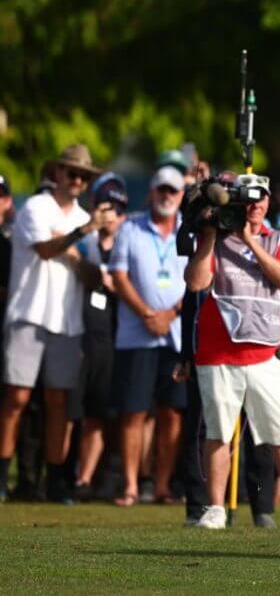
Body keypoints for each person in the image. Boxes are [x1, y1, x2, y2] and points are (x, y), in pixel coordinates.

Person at [182, 172, 280, 530]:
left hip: (264, 353)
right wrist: (209, 235)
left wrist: (250, 241)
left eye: (261, 200)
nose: (255, 206)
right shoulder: (217, 236)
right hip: (219, 352)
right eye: (248, 200)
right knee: (219, 433)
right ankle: (215, 509)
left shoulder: (278, 239)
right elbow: (196, 282)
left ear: (269, 203)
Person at [0, 144, 103, 504]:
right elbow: (44, 249)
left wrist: (80, 251)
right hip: (28, 313)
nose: (77, 180)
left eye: (83, 176)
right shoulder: (35, 207)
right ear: (57, 173)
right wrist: (79, 236)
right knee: (17, 398)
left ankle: (56, 481)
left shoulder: (84, 217)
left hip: (66, 321)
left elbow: (95, 278)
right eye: (71, 173)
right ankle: (3, 477)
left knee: (58, 400)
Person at [109, 166, 189, 506]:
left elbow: (200, 277)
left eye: (173, 190)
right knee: (134, 411)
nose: (167, 196)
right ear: (152, 192)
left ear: (182, 195)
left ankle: (161, 485)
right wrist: (146, 313)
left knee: (172, 411)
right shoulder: (131, 227)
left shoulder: (189, 229)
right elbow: (118, 274)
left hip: (175, 335)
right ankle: (130, 485)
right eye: (162, 190)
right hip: (136, 335)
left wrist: (170, 314)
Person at [69, 174, 127, 499]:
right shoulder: (85, 242)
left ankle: (89, 479)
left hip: (113, 339)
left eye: (117, 209)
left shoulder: (126, 245)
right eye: (106, 207)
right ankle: (69, 476)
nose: (111, 216)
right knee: (75, 413)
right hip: (80, 335)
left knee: (101, 415)